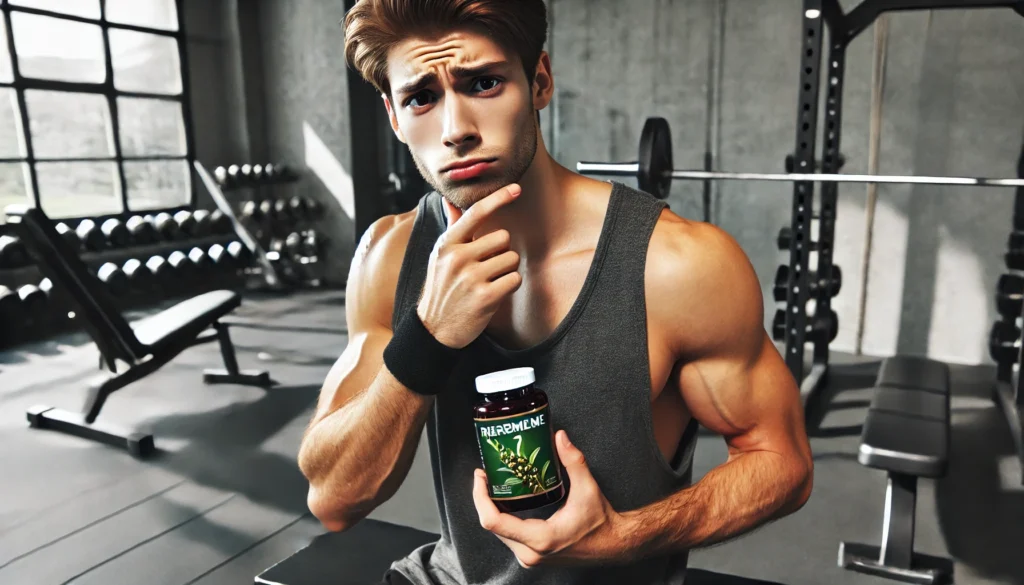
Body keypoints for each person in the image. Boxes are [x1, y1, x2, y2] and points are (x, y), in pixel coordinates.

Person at [297, 1, 814, 584]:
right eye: (422, 98)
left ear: (539, 80)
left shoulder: (677, 266)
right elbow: (333, 498)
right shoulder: (389, 256)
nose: (455, 129)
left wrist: (626, 537)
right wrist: (428, 337)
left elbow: (781, 462)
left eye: (484, 83)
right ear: (394, 116)